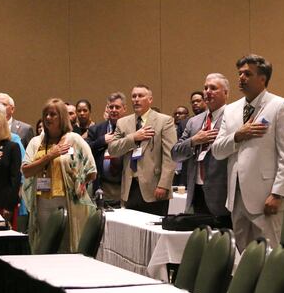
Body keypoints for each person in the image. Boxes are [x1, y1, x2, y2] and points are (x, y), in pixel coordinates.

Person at [212, 54, 284, 251]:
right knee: (243, 257)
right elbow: (217, 151)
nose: (241, 78)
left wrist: (278, 194)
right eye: (240, 73)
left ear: (262, 78)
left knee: (267, 255)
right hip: (236, 196)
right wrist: (237, 136)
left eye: (247, 74)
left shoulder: (280, 106)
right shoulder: (231, 110)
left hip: (266, 196)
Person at [22, 98, 96, 252]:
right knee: (46, 243)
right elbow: (26, 170)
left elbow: (91, 170)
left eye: (53, 115)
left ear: (62, 117)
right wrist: (50, 155)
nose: (48, 118)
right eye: (46, 115)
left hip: (67, 200)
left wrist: (81, 184)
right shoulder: (36, 142)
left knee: (65, 245)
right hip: (42, 201)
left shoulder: (74, 140)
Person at [172, 73, 231, 228]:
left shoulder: (234, 117)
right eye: (205, 88)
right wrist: (194, 141)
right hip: (196, 191)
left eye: (213, 88)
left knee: (221, 246)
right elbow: (175, 153)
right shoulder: (194, 122)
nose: (207, 92)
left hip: (222, 194)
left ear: (226, 93)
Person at [108, 85, 177, 215]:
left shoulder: (164, 121)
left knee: (154, 232)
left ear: (150, 99)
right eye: (134, 96)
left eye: (140, 96)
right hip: (130, 187)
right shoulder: (123, 122)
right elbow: (112, 149)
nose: (136, 99)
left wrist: (164, 184)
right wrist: (133, 138)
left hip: (155, 187)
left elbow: (170, 156)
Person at [87, 92, 127, 204]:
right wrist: (101, 141)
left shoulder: (131, 128)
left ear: (124, 109)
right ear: (107, 109)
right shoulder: (96, 129)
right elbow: (85, 151)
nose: (114, 110)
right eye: (111, 107)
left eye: (117, 107)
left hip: (125, 186)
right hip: (102, 186)